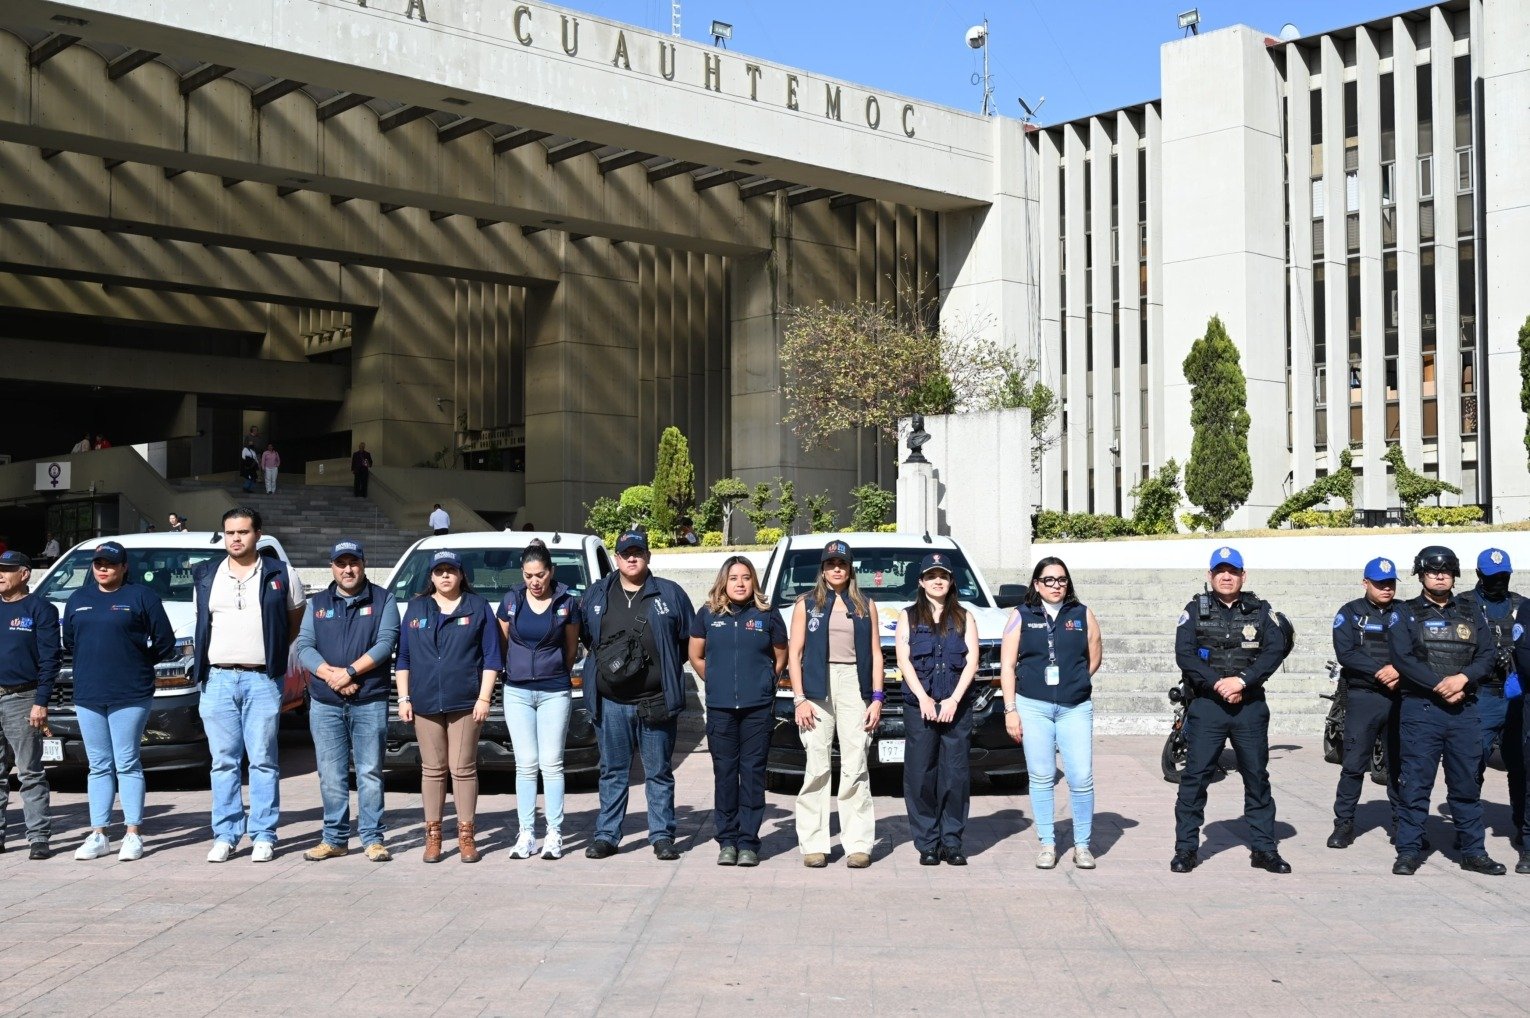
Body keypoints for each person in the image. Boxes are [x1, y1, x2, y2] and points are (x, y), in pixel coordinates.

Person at [192, 508, 306, 863]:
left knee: (263, 760)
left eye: (243, 532)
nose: (236, 539)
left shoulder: (281, 573)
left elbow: (294, 621)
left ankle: (263, 834)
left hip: (262, 679)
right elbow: (202, 622)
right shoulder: (206, 574)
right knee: (223, 762)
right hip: (217, 679)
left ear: (258, 533)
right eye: (230, 533)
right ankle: (225, 834)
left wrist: (270, 652)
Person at [1170, 546, 1291, 874]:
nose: (1227, 577)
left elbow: (1274, 650)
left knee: (1256, 777)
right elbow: (1185, 654)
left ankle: (1264, 849)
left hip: (1249, 706)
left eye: (1233, 571)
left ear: (1243, 576)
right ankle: (1186, 850)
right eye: (1220, 571)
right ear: (1210, 576)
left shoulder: (1261, 610)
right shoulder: (1193, 610)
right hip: (1207, 706)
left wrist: (1241, 681)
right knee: (1195, 778)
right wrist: (1217, 684)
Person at [1386, 545, 1505, 876]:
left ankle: (1473, 852)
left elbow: (1487, 655)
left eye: (1446, 571)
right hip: (1421, 710)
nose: (1440, 576)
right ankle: (1409, 851)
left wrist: (1462, 678)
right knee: (1415, 785)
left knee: (1467, 786)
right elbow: (1402, 659)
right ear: (1421, 575)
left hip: (1464, 710)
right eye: (1432, 571)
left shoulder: (1472, 612)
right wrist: (1442, 685)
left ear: (1455, 575)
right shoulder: (1405, 613)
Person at [579, 530, 695, 861]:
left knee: (658, 772)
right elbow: (588, 637)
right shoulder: (597, 593)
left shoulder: (669, 594)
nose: (632, 558)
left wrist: (663, 668)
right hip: (611, 702)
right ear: (616, 558)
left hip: (655, 700)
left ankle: (662, 836)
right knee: (613, 771)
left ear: (648, 556)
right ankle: (607, 835)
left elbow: (686, 641)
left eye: (638, 552)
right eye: (626, 553)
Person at [62, 541, 176, 862]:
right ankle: (99, 834)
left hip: (130, 693)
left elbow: (165, 642)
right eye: (98, 563)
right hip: (89, 693)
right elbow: (70, 641)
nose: (103, 568)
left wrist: (138, 662)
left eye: (110, 564)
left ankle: (133, 833)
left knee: (126, 762)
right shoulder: (78, 598)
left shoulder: (141, 597)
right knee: (98, 765)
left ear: (124, 567)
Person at [293, 540, 399, 863]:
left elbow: (386, 643)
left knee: (369, 772)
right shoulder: (317, 604)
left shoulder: (383, 599)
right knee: (330, 773)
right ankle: (335, 838)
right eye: (341, 564)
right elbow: (304, 646)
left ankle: (372, 839)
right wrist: (332, 676)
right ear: (332, 567)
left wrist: (351, 672)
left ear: (363, 565)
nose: (348, 569)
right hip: (325, 702)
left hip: (369, 700)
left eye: (353, 563)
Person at [396, 550, 501, 863]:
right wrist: (403, 697)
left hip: (466, 701)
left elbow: (492, 657)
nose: (445, 576)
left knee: (463, 768)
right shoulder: (416, 607)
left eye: (451, 570)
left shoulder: (478, 607)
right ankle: (433, 836)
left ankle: (466, 835)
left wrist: (484, 698)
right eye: (439, 571)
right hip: (425, 700)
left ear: (461, 575)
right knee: (432, 769)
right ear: (431, 576)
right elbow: (404, 657)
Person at [999, 556, 1102, 870]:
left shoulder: (1082, 614)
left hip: (1075, 707)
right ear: (1036, 583)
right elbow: (1007, 665)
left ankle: (1082, 845)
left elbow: (1094, 655)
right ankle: (1047, 843)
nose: (1056, 585)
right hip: (1033, 707)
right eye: (1049, 580)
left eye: (1061, 579)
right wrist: (1010, 709)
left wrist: (1074, 680)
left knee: (1081, 777)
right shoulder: (1020, 615)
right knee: (1042, 776)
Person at [787, 539, 884, 869]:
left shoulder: (866, 605)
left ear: (850, 568)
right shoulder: (806, 604)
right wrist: (799, 699)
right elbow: (795, 654)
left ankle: (858, 843)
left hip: (854, 685)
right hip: (816, 686)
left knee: (856, 764)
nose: (837, 569)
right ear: (823, 569)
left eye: (842, 563)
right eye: (831, 564)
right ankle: (814, 843)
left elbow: (875, 654)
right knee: (817, 765)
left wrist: (876, 698)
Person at [687, 556, 786, 867]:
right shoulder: (707, 614)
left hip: (757, 710)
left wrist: (764, 682)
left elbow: (780, 656)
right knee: (726, 775)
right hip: (721, 710)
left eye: (746, 577)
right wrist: (715, 680)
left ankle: (748, 843)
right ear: (723, 582)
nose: (740, 583)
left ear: (753, 581)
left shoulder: (767, 615)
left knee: (753, 775)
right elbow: (695, 655)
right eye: (733, 578)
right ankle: (727, 841)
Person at [496, 540, 581, 861]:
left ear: (551, 572)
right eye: (529, 575)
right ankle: (526, 833)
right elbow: (502, 644)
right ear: (522, 573)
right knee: (526, 764)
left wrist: (556, 671)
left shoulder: (566, 602)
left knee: (552, 763)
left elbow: (571, 649)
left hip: (554, 690)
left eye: (541, 575)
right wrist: (513, 671)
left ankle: (555, 833)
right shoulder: (511, 600)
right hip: (517, 691)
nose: (535, 581)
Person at [896, 552, 982, 867]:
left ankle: (952, 842)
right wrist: (923, 698)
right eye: (931, 576)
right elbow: (904, 660)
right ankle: (928, 844)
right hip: (920, 707)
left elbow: (972, 661)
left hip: (955, 708)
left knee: (955, 776)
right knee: (920, 776)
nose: (937, 581)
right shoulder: (908, 616)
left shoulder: (965, 616)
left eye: (943, 576)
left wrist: (954, 700)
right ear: (921, 582)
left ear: (950, 581)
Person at [1326, 557, 1405, 850]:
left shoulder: (1405, 612)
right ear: (1365, 583)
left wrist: (1399, 670)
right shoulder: (1350, 613)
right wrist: (1381, 671)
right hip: (1364, 698)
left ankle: (1403, 825)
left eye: (1390, 583)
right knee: (1353, 765)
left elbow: (1418, 650)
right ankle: (1344, 824)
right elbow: (1346, 653)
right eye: (1380, 583)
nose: (1386, 588)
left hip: (1400, 697)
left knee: (1399, 766)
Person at [1454, 548, 1524, 842]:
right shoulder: (1462, 605)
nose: (1499, 582)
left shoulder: (1522, 605)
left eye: (1503, 576)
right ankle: (1467, 829)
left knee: (1520, 765)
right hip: (1480, 695)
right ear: (1479, 575)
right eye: (1493, 577)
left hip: (1517, 696)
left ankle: (1522, 826)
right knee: (1472, 764)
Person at [0, 550, 59, 860]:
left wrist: (41, 701)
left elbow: (50, 660)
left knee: (30, 772)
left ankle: (38, 837)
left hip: (22, 698)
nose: (0, 574)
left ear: (24, 574)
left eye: (7, 569)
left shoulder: (40, 609)